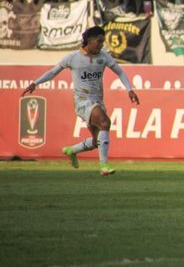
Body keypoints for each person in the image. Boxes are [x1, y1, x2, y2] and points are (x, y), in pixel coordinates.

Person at [19, 26, 140, 176]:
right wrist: (35, 83)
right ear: (89, 40)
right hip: (82, 101)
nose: (101, 45)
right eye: (99, 41)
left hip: (97, 100)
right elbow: (52, 72)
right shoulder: (73, 58)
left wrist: (130, 89)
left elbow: (120, 72)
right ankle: (104, 166)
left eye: (103, 42)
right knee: (105, 123)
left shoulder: (104, 57)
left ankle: (71, 151)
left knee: (97, 141)